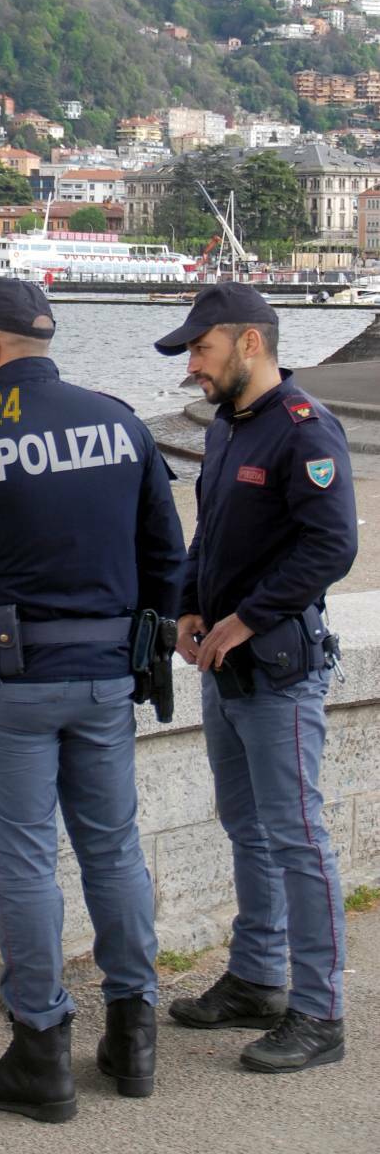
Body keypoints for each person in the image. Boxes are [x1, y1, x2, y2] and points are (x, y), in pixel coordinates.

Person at [0, 278, 186, 1121]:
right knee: (112, 850)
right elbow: (166, 558)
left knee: (23, 863)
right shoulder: (120, 422)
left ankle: (39, 1051)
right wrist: (143, 652)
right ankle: (133, 1036)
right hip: (103, 679)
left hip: (8, 684)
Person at [153, 283, 357, 1072]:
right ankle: (256, 980)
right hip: (226, 669)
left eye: (199, 351)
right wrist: (187, 608)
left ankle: (319, 1012)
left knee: (297, 838)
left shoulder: (303, 430)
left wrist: (246, 619)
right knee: (247, 829)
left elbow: (328, 547)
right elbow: (210, 536)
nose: (190, 369)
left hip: (276, 668)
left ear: (247, 342)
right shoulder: (234, 429)